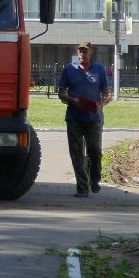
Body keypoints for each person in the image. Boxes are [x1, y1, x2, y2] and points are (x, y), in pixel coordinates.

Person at [57, 41, 112, 197]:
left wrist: (101, 103)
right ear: (77, 53)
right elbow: (61, 93)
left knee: (95, 151)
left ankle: (94, 178)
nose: (82, 53)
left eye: (85, 51)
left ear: (91, 52)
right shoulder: (69, 69)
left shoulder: (99, 69)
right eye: (80, 51)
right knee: (76, 153)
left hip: (94, 118)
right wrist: (72, 100)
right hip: (74, 118)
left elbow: (107, 94)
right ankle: (82, 187)